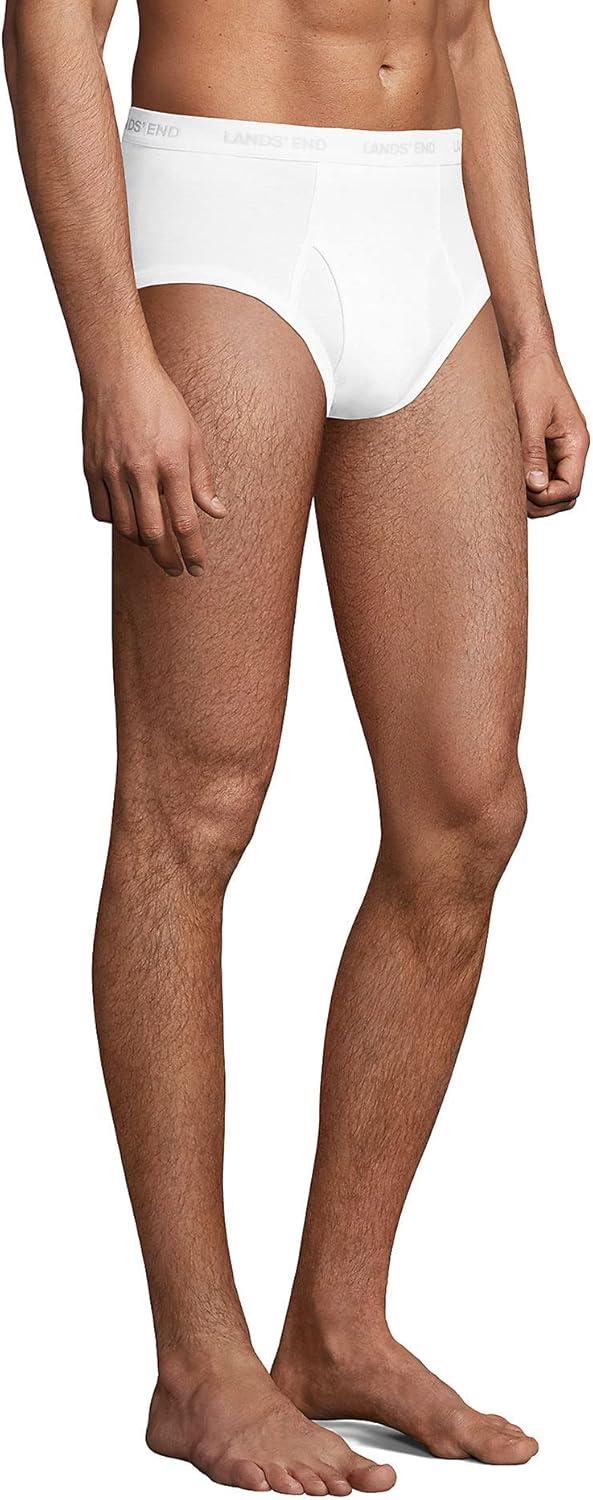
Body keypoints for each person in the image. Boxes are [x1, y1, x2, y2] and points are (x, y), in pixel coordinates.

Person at [4, 0, 588, 1491]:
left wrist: (531, 332)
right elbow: (49, 22)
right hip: (228, 211)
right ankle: (200, 1366)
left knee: (466, 812)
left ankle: (337, 1323)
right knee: (193, 804)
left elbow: (467, 35)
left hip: (430, 223)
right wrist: (110, 354)